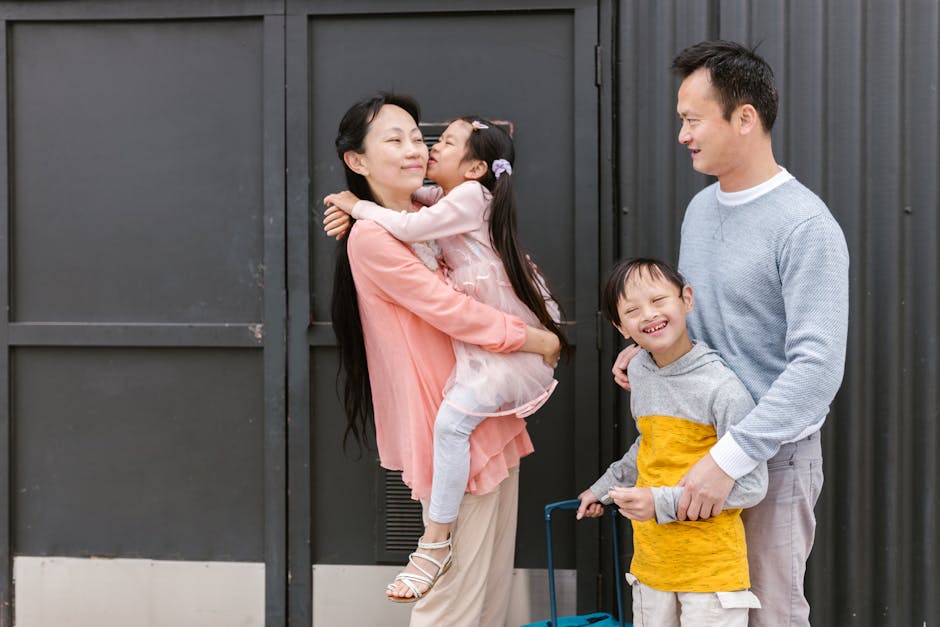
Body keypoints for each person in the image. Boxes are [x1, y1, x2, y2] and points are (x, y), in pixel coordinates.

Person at [612, 41, 849, 626]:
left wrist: (730, 457)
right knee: (694, 605)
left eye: (693, 120)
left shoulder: (806, 225)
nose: (683, 134)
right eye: (681, 121)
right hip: (690, 449)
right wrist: (647, 346)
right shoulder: (700, 209)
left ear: (744, 118)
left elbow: (818, 368)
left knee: (769, 612)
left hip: (770, 456)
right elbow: (705, 319)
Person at [324, 93, 561, 625]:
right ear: (356, 161)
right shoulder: (375, 236)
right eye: (394, 139)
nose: (415, 149)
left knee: (488, 588)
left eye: (417, 137)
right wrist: (535, 339)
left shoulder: (424, 210)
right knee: (454, 604)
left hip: (483, 411)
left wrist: (354, 204)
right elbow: (449, 310)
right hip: (451, 418)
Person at [578, 258, 766, 626]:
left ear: (687, 300)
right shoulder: (640, 370)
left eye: (659, 300)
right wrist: (603, 488)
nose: (648, 315)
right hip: (651, 567)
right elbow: (649, 445)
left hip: (711, 575)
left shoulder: (723, 388)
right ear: (620, 326)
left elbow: (752, 486)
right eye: (632, 310)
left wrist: (659, 502)